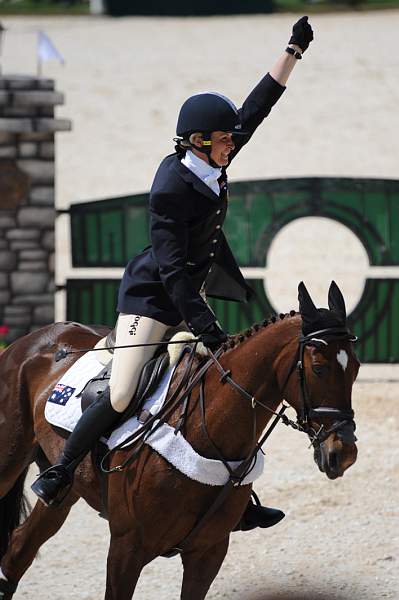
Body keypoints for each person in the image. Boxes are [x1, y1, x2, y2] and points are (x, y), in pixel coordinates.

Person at [32, 17, 314, 529]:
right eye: (225, 139)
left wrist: (292, 51)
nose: (234, 144)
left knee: (222, 384)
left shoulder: (212, 157)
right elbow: (172, 274)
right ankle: (60, 470)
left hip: (189, 290)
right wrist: (206, 325)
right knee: (123, 393)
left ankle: (237, 496)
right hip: (154, 297)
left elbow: (257, 108)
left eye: (231, 138)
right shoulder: (170, 189)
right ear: (199, 142)